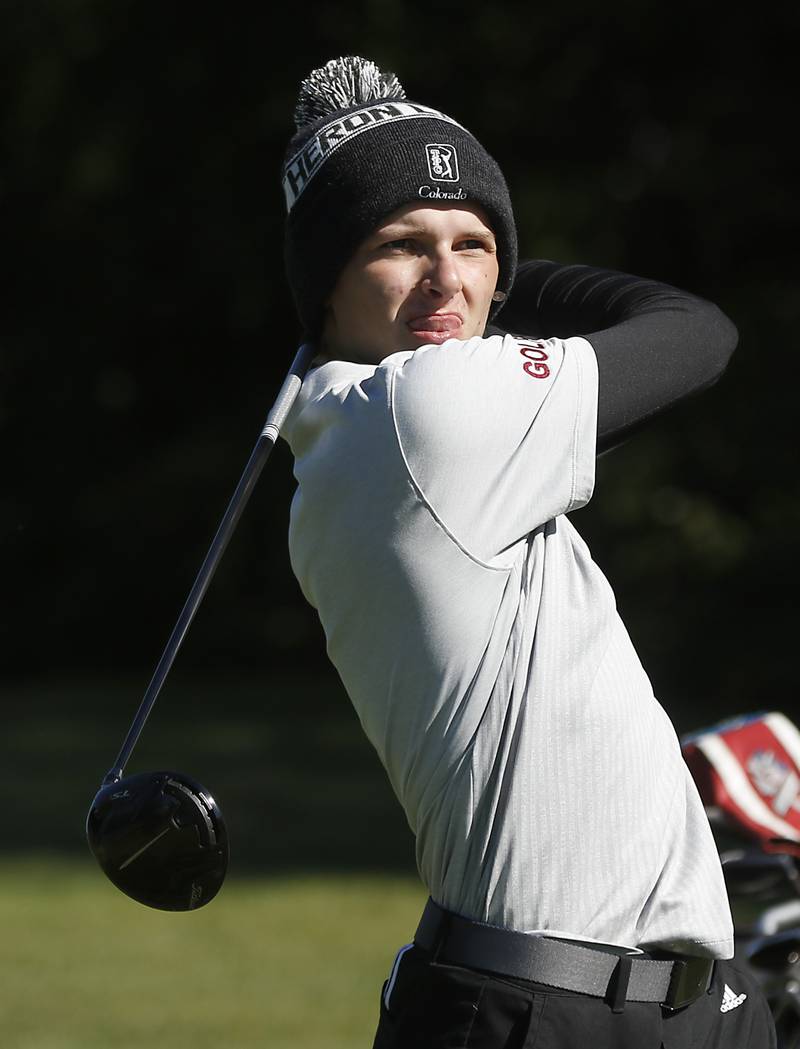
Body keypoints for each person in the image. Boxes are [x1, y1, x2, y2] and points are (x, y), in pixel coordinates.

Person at [278, 56, 777, 1048]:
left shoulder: (360, 434)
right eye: (399, 243)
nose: (447, 277)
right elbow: (692, 334)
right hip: (543, 1011)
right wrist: (514, 280)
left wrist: (471, 278)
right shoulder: (424, 410)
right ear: (325, 282)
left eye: (473, 242)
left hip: (664, 1003)